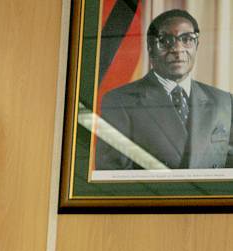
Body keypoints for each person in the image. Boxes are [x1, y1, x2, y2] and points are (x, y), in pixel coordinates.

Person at [96, 9, 233, 170]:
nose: (177, 49)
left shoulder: (224, 101)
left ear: (197, 45)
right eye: (166, 40)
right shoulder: (120, 101)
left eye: (187, 39)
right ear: (150, 47)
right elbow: (114, 180)